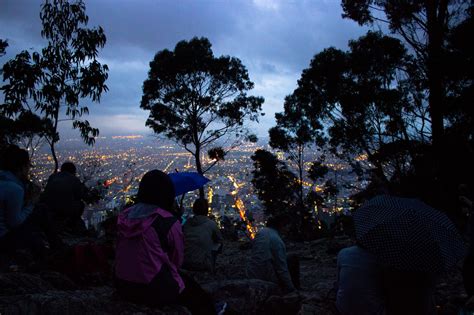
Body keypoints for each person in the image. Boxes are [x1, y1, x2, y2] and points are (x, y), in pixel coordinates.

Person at [114, 170, 216, 314]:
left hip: (121, 283)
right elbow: (177, 260)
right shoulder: (166, 221)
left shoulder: (124, 217)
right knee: (195, 293)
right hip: (151, 288)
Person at [0, 145, 59, 254]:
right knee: (41, 210)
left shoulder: (4, 180)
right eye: (27, 167)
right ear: (21, 168)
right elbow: (14, 223)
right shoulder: (14, 188)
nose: (28, 170)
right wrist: (31, 204)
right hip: (4, 239)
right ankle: (56, 247)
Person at [246, 214, 297, 293]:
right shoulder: (277, 241)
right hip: (267, 279)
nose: (288, 229)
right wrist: (291, 288)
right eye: (287, 226)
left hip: (252, 273)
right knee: (292, 259)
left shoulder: (261, 232)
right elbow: (281, 268)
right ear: (282, 226)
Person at [336, 244, 385, 315]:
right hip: (372, 310)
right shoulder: (379, 258)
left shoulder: (343, 252)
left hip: (342, 307)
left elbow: (338, 281)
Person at [41, 161, 87, 234]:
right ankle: (72, 222)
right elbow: (79, 195)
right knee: (81, 204)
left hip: (48, 207)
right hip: (65, 209)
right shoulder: (74, 179)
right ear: (73, 171)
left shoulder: (53, 176)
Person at [183, 198, 223, 273]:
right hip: (202, 264)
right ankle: (212, 268)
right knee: (217, 244)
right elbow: (220, 240)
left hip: (184, 262)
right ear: (207, 210)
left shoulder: (187, 223)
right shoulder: (211, 224)